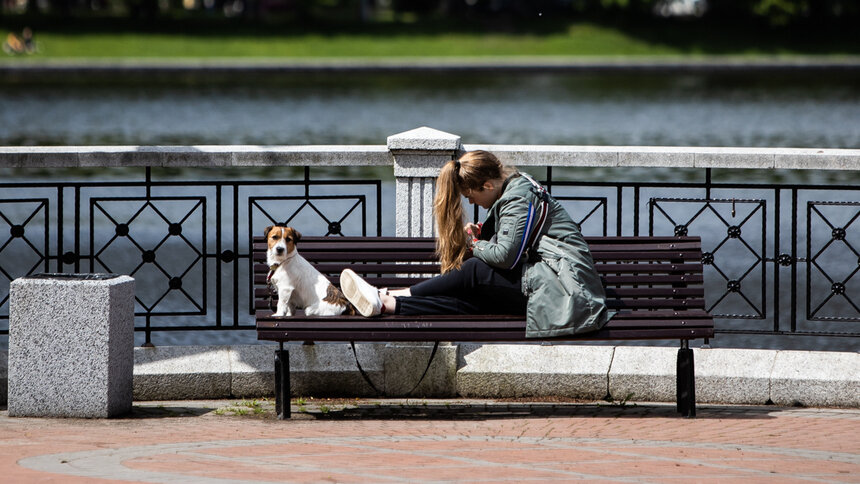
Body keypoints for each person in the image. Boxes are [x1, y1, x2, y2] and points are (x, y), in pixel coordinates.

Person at [340, 150, 614, 337]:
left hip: (568, 290)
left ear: (486, 185)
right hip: (554, 282)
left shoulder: (517, 197)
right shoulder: (515, 189)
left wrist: (474, 243)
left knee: (474, 271)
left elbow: (506, 256)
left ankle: (390, 293)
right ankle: (390, 305)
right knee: (471, 300)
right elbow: (518, 239)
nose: (471, 203)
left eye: (470, 196)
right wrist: (484, 234)